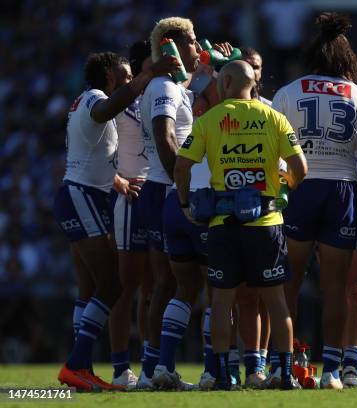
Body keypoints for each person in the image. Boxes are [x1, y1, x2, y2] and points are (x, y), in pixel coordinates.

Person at [175, 60, 308, 390]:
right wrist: (282, 191)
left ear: (229, 81)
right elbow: (300, 167)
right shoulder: (274, 117)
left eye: (221, 80)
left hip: (223, 224)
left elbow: (182, 166)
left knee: (221, 301)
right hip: (266, 222)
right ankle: (286, 374)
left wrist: (184, 203)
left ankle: (222, 374)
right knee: (276, 301)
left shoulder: (210, 120)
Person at [54, 51, 179, 391]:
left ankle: (82, 366)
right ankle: (77, 364)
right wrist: (145, 76)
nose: (129, 81)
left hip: (85, 195)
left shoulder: (84, 101)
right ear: (108, 74)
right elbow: (106, 110)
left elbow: (92, 150)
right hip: (82, 196)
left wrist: (117, 179)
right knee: (111, 285)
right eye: (125, 75)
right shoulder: (96, 98)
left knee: (96, 287)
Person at [272, 12, 357, 389]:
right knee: (336, 287)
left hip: (300, 186)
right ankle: (333, 368)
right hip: (343, 190)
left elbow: (275, 151)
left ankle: (288, 362)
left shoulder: (288, 91)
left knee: (288, 281)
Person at [140, 16, 218, 391]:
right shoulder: (164, 89)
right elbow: (165, 135)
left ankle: (158, 368)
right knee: (200, 286)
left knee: (178, 288)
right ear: (172, 43)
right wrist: (184, 188)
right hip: (177, 191)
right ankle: (205, 370)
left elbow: (182, 87)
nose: (197, 43)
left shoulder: (167, 84)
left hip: (169, 193)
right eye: (191, 39)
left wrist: (203, 67)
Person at [107, 39, 153, 389]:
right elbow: (91, 146)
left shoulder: (165, 93)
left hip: (160, 194)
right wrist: (117, 179)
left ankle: (151, 368)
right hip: (133, 198)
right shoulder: (118, 103)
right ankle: (122, 369)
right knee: (126, 287)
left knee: (155, 287)